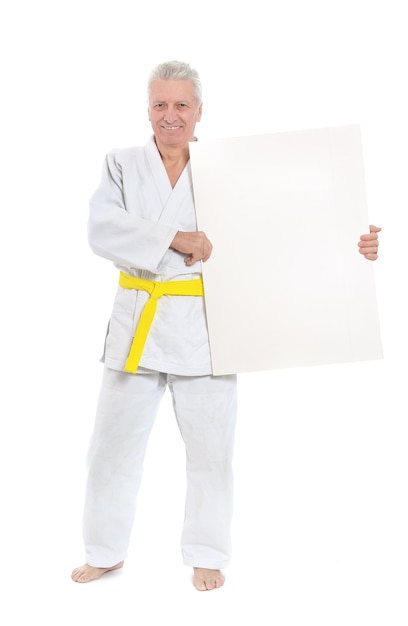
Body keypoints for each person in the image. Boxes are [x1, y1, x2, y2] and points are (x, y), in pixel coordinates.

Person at [71, 60, 381, 591]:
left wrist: (351, 243)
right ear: (147, 108)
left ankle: (208, 553)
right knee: (110, 448)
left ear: (199, 112)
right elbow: (103, 229)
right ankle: (106, 550)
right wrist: (176, 237)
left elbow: (282, 224)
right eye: (160, 104)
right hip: (137, 324)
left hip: (208, 325)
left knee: (211, 450)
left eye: (181, 105)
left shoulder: (225, 169)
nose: (170, 115)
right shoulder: (121, 162)